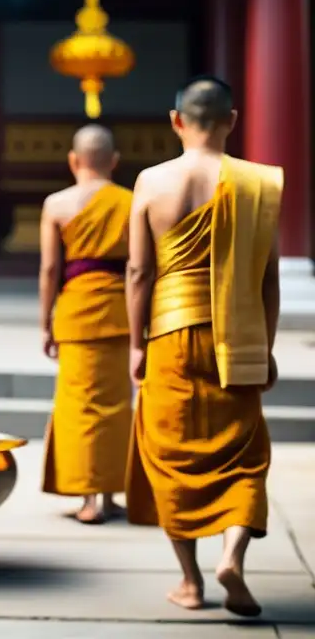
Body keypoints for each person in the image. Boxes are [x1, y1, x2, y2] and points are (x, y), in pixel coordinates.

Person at [125, 76, 281, 618]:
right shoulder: (258, 183)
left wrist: (136, 345)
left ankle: (190, 583)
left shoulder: (150, 181)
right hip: (236, 336)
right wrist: (267, 345)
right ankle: (232, 555)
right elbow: (268, 280)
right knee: (244, 454)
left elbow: (140, 271)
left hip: (169, 332)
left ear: (176, 121)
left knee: (172, 454)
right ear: (232, 121)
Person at [39, 125, 133, 524]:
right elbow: (141, 267)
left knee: (79, 407)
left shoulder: (57, 204)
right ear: (113, 161)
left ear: (74, 161)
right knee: (114, 407)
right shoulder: (132, 201)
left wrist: (46, 322)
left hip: (76, 313)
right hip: (119, 312)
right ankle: (108, 496)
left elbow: (49, 269)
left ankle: (88, 497)